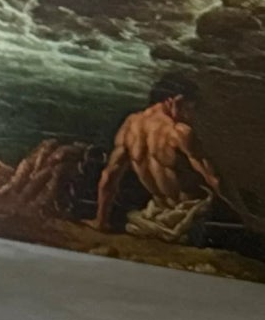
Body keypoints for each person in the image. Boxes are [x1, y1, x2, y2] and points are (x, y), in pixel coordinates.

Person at [89, 81, 225, 241]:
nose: (191, 116)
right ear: (177, 100)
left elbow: (110, 175)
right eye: (190, 109)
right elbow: (214, 180)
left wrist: (101, 220)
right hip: (189, 217)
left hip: (153, 214)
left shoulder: (130, 125)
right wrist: (245, 214)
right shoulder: (180, 132)